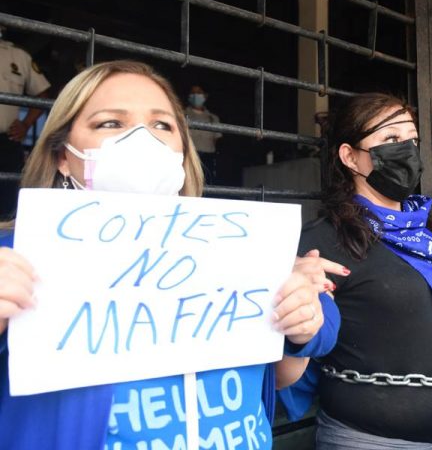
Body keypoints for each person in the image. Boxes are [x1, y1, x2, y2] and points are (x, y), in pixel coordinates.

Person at [0, 60, 343, 449]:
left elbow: (279, 376)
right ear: (63, 154)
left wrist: (301, 316)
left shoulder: (234, 250)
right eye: (110, 123)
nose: (142, 138)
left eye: (162, 125)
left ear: (183, 149)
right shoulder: (16, 260)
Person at [299, 92, 432, 449]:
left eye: (411, 139)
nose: (407, 149)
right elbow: (298, 337)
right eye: (391, 139)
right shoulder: (327, 242)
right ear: (350, 156)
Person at [0, 25, 51, 218]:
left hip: (6, 141)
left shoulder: (18, 56)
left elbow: (42, 94)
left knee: (6, 202)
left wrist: (26, 124)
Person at [185, 85, 222, 183]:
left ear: (205, 96)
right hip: (189, 156)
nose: (195, 95)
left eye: (198, 92)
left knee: (208, 185)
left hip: (208, 157)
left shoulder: (213, 118)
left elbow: (216, 139)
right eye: (193, 93)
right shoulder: (183, 114)